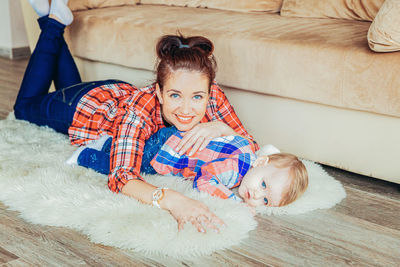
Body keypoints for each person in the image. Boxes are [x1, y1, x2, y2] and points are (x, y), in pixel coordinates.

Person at [15, 0, 259, 233]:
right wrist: (173, 199)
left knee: (65, 86)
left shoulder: (213, 94)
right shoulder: (139, 111)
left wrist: (221, 128)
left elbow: (251, 146)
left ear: (208, 91)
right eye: (175, 96)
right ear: (159, 92)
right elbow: (121, 177)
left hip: (117, 94)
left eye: (197, 97)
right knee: (24, 108)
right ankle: (53, 22)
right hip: (84, 106)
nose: (186, 109)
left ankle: (53, 18)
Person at [72, 128, 308, 207]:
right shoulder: (237, 170)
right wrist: (233, 202)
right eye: (263, 185)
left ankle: (106, 142)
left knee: (135, 149)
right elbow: (205, 180)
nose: (256, 195)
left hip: (171, 137)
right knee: (132, 165)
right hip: (166, 153)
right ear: (260, 163)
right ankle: (85, 155)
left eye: (265, 200)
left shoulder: (248, 151)